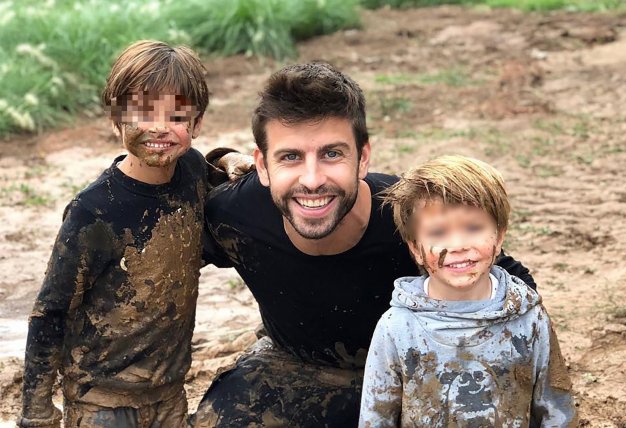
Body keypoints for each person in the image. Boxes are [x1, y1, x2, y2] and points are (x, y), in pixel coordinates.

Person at [193, 62, 537, 427]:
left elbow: (514, 286)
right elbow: (153, 244)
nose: (312, 180)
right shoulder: (233, 213)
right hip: (294, 362)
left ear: (363, 158)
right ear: (262, 165)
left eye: (332, 154)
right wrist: (220, 157)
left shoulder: (412, 217)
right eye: (290, 156)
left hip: (412, 369)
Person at [19, 40, 215, 428]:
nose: (160, 127)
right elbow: (50, 312)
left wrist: (229, 157)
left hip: (169, 391)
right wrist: (37, 411)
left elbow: (223, 178)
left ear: (197, 123)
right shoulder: (93, 211)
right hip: (102, 397)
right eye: (144, 113)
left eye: (177, 115)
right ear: (115, 120)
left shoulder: (192, 172)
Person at [359, 155, 577, 427]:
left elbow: (556, 409)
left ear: (499, 237)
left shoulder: (529, 320)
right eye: (438, 232)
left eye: (473, 228)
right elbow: (376, 416)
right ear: (415, 248)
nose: (458, 245)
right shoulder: (397, 327)